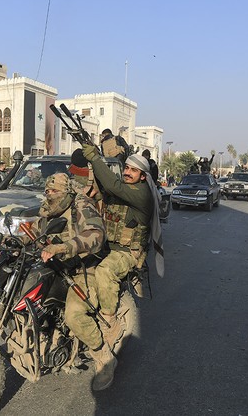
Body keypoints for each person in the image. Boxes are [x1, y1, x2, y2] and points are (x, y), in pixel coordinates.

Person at [82, 143, 164, 389]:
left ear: (143, 175)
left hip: (129, 253)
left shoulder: (142, 194)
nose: (127, 172)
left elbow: (111, 185)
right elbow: (102, 190)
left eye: (132, 170)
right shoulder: (123, 190)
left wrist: (96, 158)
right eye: (125, 168)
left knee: (105, 272)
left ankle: (110, 321)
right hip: (109, 247)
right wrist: (91, 169)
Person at [25, 173, 110, 390]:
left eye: (55, 192)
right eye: (48, 191)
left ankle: (104, 358)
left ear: (66, 192)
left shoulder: (80, 205)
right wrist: (15, 240)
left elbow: (96, 235)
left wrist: (63, 247)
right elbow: (35, 231)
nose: (50, 195)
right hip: (57, 266)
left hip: (84, 268)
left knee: (74, 315)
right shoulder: (48, 208)